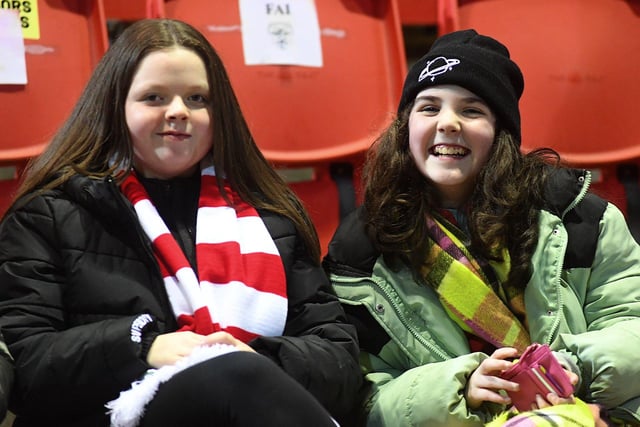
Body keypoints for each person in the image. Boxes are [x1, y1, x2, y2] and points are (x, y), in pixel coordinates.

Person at [0, 18, 362, 427]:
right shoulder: (46, 214)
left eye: (197, 98)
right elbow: (25, 365)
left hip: (245, 405)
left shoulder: (272, 218)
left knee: (239, 373)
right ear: (114, 107)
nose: (178, 112)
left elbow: (342, 364)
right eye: (154, 97)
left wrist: (262, 357)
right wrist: (142, 346)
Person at [323, 29, 640, 426]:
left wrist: (569, 369)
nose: (448, 123)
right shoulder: (360, 253)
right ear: (405, 128)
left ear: (501, 133)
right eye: (429, 107)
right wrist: (460, 387)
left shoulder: (580, 218)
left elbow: (632, 326)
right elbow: (363, 398)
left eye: (471, 110)